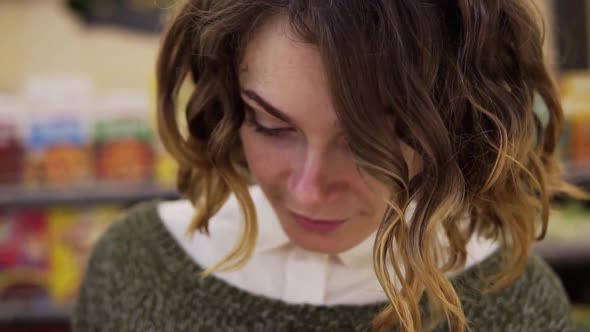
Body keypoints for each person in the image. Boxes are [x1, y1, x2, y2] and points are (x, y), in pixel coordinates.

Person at [72, 1, 585, 331]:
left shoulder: (515, 304)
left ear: (454, 125)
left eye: (373, 140)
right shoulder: (132, 267)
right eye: (271, 125)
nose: (311, 190)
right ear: (227, 105)